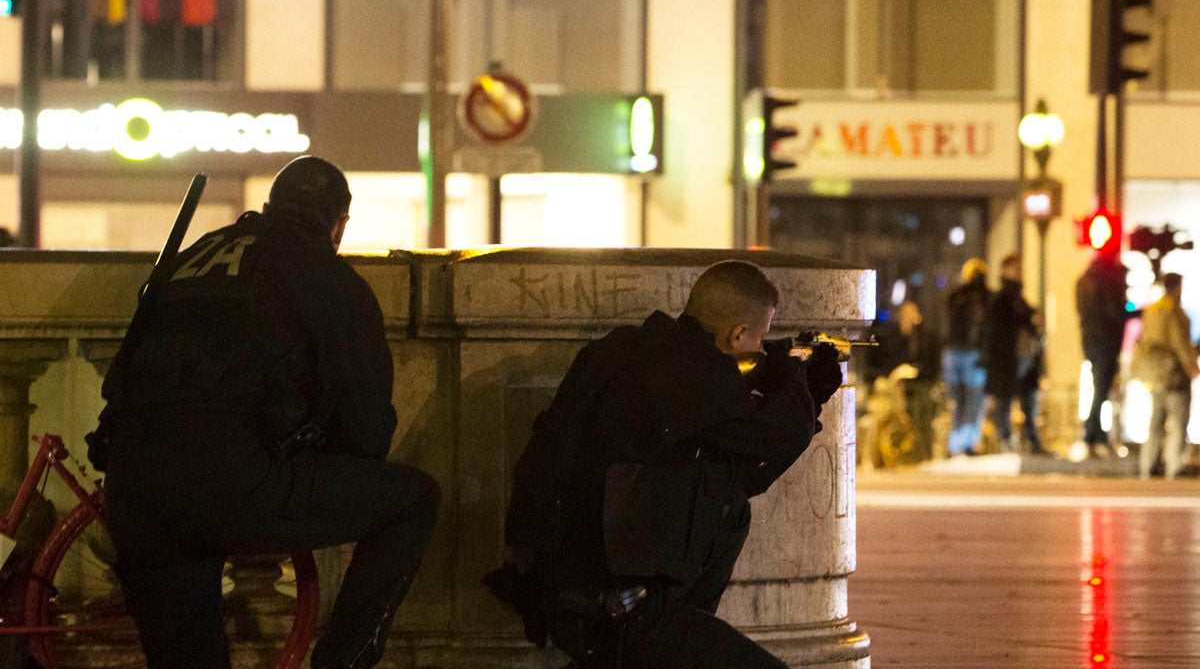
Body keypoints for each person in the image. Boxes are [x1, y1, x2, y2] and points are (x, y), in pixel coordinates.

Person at [90, 156, 441, 669]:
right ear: (339, 225)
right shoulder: (324, 273)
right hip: (235, 483)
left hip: (135, 491)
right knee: (412, 501)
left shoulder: (194, 254)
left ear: (268, 207)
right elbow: (363, 430)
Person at [488, 260, 842, 669]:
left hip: (559, 586)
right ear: (738, 334)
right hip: (620, 611)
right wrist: (795, 380)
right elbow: (777, 437)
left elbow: (742, 470)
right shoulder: (698, 376)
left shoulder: (626, 351)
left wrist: (803, 396)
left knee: (731, 505)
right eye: (758, 340)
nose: (759, 351)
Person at [1132, 272, 1199, 480]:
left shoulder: (1152, 310)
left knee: (1156, 422)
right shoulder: (1174, 312)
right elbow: (1179, 342)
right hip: (1174, 373)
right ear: (1176, 287)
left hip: (1155, 374)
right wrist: (1191, 367)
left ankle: (1148, 464)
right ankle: (1174, 466)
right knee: (1178, 422)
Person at [981, 254, 1045, 454]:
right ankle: (1007, 438)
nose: (1020, 272)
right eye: (1015, 268)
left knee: (1027, 399)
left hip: (1024, 356)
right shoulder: (1001, 299)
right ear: (1005, 270)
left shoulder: (1020, 299)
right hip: (1008, 359)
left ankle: (1029, 438)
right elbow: (996, 332)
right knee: (1006, 400)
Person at [863, 300, 941, 461]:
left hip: (921, 381)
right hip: (898, 383)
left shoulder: (925, 336)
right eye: (905, 314)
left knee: (922, 411)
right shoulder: (893, 336)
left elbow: (930, 361)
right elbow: (889, 360)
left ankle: (924, 453)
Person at [1076, 249, 1133, 458]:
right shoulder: (1106, 283)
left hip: (1091, 341)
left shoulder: (1083, 281)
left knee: (1099, 388)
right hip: (1105, 341)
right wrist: (1132, 311)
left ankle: (1097, 433)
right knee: (1101, 389)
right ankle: (1092, 434)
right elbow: (1114, 312)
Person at [943, 258, 992, 456]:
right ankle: (968, 443)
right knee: (974, 399)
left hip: (952, 352)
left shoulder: (955, 295)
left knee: (957, 400)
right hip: (974, 353)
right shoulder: (985, 297)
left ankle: (955, 444)